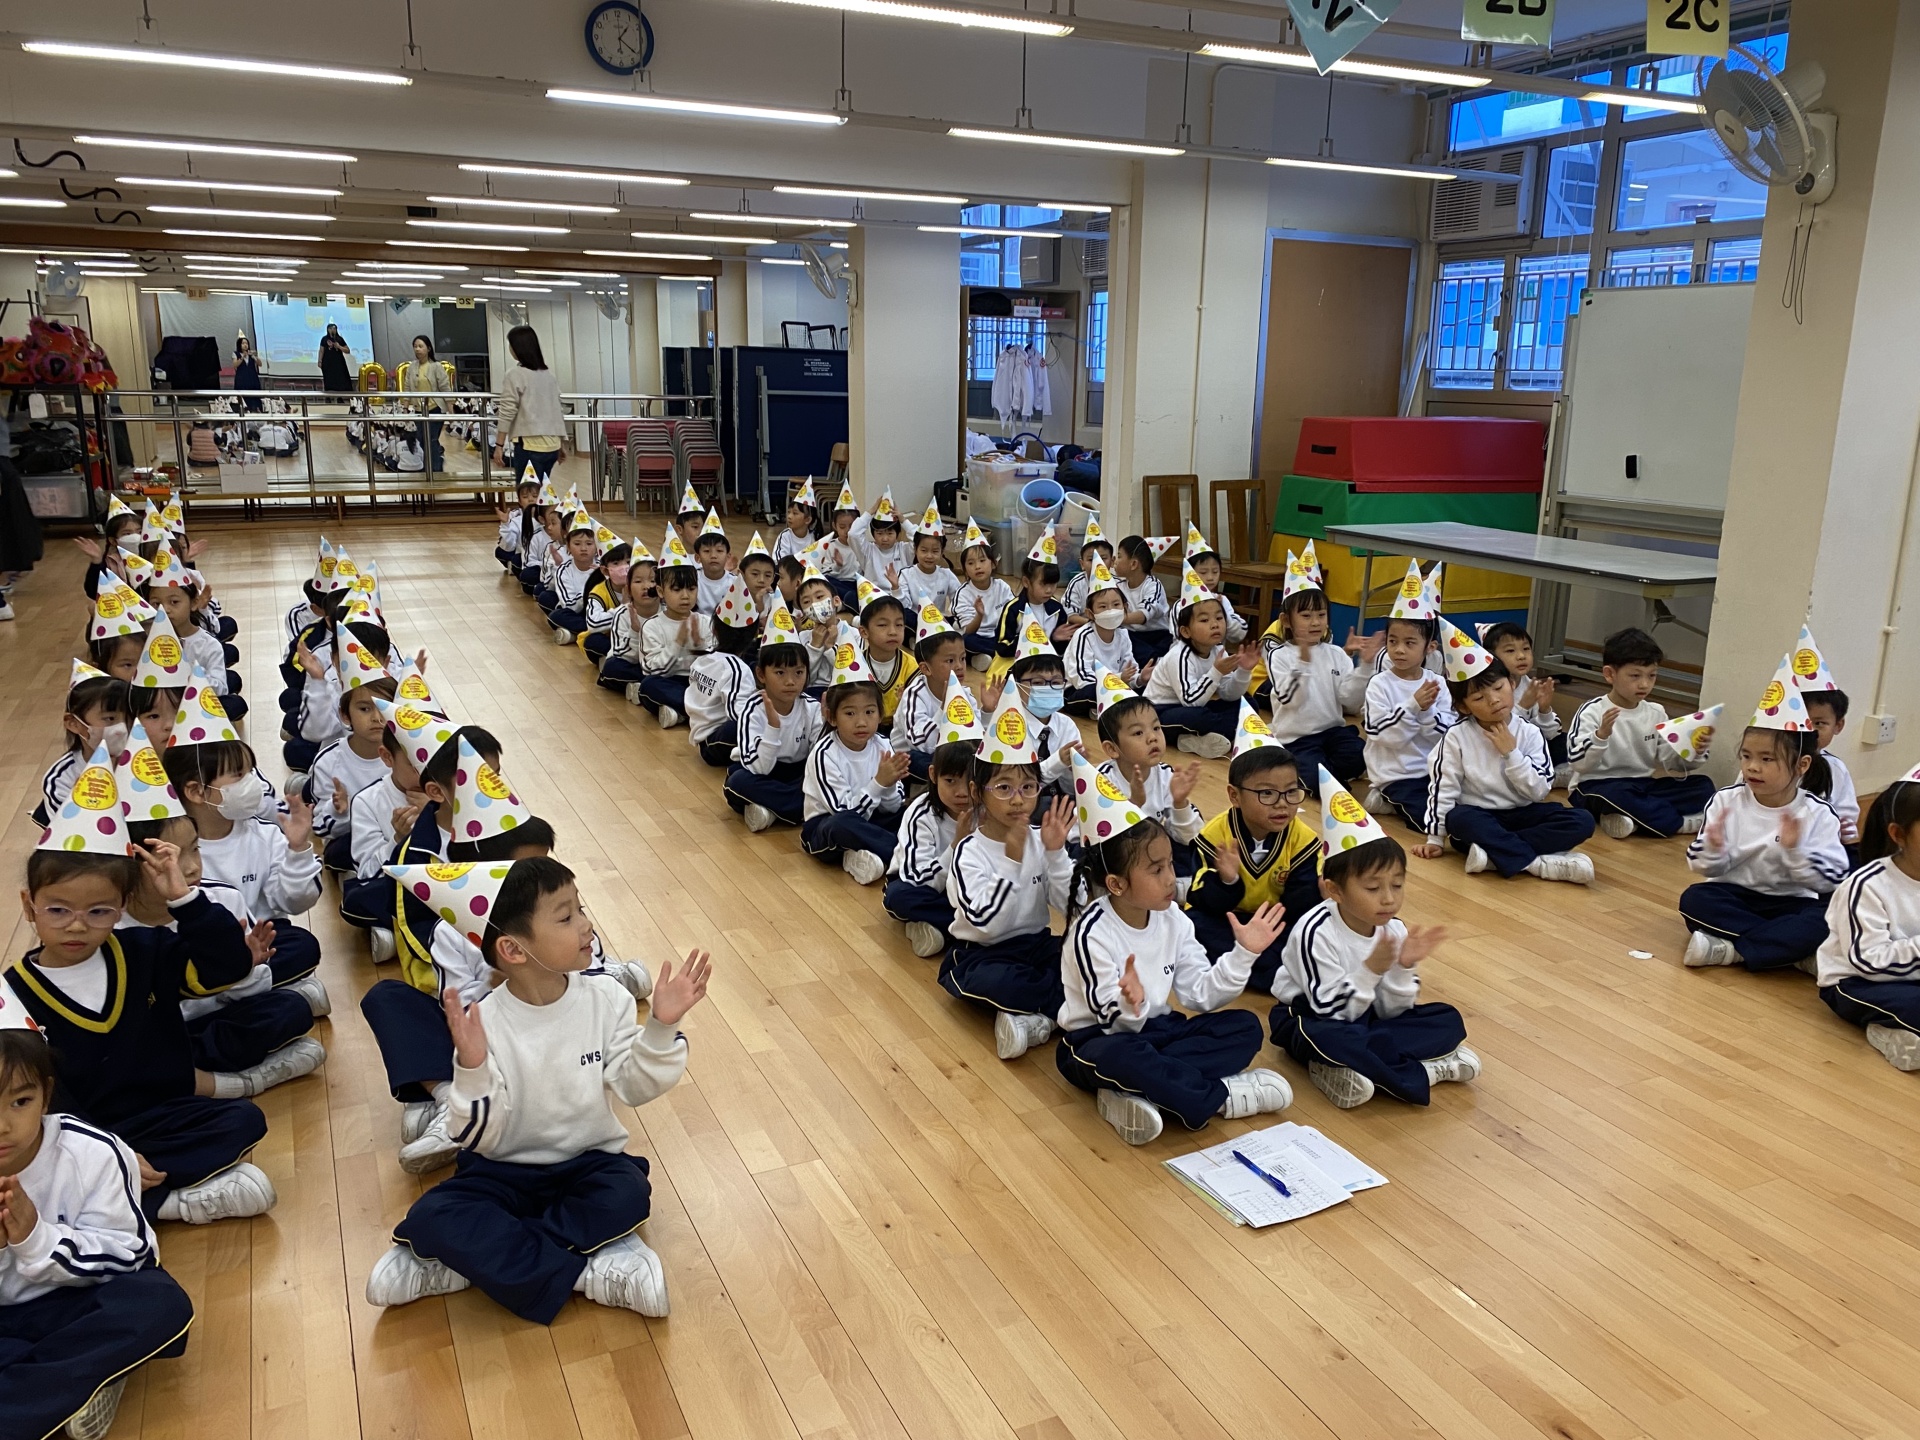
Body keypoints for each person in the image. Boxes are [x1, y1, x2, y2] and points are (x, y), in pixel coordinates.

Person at [365, 857, 709, 1323]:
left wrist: (661, 1028)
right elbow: (477, 1135)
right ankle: (587, 1272)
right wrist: (473, 1069)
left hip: (587, 1165)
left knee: (626, 1192)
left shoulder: (609, 998)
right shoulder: (485, 1021)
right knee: (432, 1214)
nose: (586, 924)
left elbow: (633, 1086)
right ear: (513, 949)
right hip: (500, 1173)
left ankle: (474, 1263)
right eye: (566, 917)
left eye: (580, 909)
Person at [5, 749, 277, 1227]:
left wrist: (185, 900)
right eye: (58, 910)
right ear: (30, 907)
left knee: (244, 1120)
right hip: (82, 1141)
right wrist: (110, 1152)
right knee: (40, 1176)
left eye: (98, 911)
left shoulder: (143, 949)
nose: (77, 926)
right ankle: (164, 1203)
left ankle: (127, 1200)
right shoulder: (14, 995)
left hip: (166, 1116)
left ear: (121, 906)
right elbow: (46, 1103)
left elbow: (229, 967)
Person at [1056, 751, 1291, 1145]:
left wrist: (1244, 954)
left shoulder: (1174, 919)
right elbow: (1111, 1023)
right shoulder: (1091, 933)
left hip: (1160, 1030)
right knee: (1123, 1058)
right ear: (1116, 884)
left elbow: (1200, 995)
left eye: (1169, 864)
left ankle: (1139, 1090)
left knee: (1245, 1027)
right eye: (1156, 870)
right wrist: (1130, 1001)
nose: (1171, 878)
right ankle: (1220, 1098)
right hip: (1099, 1038)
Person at [0, 1022, 197, 1440]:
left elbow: (133, 1254)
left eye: (20, 1101)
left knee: (158, 1303)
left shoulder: (90, 1151)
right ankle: (88, 1379)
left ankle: (43, 1394)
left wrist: (36, 1238)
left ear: (46, 1095)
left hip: (77, 1301)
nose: (2, 1125)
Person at [1270, 770, 1481, 1109]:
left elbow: (1392, 1010)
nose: (1388, 899)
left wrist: (1402, 968)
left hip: (1367, 1018)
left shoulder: (1393, 929)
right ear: (1335, 890)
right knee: (1330, 1037)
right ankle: (1422, 1071)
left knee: (1447, 1018)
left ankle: (1359, 1068)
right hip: (1312, 1015)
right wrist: (1370, 970)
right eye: (1372, 887)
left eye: (1397, 885)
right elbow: (1329, 1010)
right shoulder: (1315, 931)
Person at [1680, 657, 1847, 971]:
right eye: (1747, 756)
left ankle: (1735, 951)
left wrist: (1796, 853)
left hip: (1793, 902)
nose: (1753, 767)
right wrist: (1714, 849)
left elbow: (1832, 880)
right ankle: (1788, 952)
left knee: (1829, 917)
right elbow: (1703, 867)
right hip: (1734, 894)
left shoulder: (1818, 813)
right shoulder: (1725, 801)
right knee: (1695, 901)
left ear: (1802, 765)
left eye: (1767, 759)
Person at [940, 691, 1072, 1061]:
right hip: (983, 953)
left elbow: (1073, 908)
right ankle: (1064, 1013)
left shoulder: (1040, 840)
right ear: (976, 792)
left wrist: (1056, 854)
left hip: (1035, 945)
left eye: (1028, 788)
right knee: (997, 982)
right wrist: (1012, 863)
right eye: (1003, 788)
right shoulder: (969, 852)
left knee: (1088, 959)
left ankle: (1041, 1019)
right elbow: (986, 923)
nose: (1018, 799)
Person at [1418, 622, 1594, 883]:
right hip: (1481, 816)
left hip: (1523, 812)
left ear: (1511, 684)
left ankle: (1494, 855)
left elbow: (1538, 791)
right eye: (1478, 698)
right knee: (1460, 819)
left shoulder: (1530, 732)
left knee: (1582, 820)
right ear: (1463, 707)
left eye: (1498, 688)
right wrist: (1434, 839)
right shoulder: (1456, 737)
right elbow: (1444, 788)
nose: (1493, 700)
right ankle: (1536, 864)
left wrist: (1512, 754)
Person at [1185, 711, 1323, 990]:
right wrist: (1227, 881)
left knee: (1315, 933)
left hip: (1275, 921)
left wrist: (1319, 891)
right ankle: (1280, 974)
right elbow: (1200, 899)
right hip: (1229, 919)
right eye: (1267, 793)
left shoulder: (1304, 840)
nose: (1282, 803)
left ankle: (1258, 969)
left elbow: (1299, 907)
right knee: (1193, 927)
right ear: (1234, 795)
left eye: (1291, 791)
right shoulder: (1214, 836)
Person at [1566, 627, 1715, 840]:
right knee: (1618, 795)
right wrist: (1600, 736)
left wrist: (1694, 750)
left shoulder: (1656, 712)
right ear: (1610, 674)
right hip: (1595, 785)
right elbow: (1578, 764)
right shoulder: (1593, 711)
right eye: (1635, 676)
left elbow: (1671, 762)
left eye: (1652, 675)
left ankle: (1630, 820)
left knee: (1702, 786)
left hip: (1642, 785)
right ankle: (1680, 824)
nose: (1644, 684)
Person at [1815, 777, 1920, 1071]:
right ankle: (1886, 1031)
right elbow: (1868, 961)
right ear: (1898, 834)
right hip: (1857, 981)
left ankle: (1900, 1031)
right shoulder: (1867, 886)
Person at [800, 628, 908, 885]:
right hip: (829, 825)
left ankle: (867, 856)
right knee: (842, 825)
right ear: (832, 716)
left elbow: (893, 805)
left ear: (880, 713)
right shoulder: (824, 754)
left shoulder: (883, 744)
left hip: (874, 819)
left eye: (869, 712)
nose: (861, 722)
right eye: (850, 713)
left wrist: (889, 786)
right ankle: (904, 857)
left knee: (912, 810)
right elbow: (843, 811)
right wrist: (879, 783)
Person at [1259, 544, 1365, 796]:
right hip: (1297, 738)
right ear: (1286, 621)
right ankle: (1324, 777)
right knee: (1312, 776)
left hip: (1332, 732)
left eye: (1321, 614)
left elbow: (1350, 702)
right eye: (1306, 616)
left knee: (1361, 756)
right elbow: (1290, 699)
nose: (1316, 622)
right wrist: (1303, 663)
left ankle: (1329, 772)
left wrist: (1366, 668)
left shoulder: (1336, 653)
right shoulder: (1279, 655)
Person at [1360, 563, 1451, 831]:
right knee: (1429, 821)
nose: (1399, 650)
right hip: (1396, 774)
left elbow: (1446, 734)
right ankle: (1385, 795)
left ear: (1430, 647)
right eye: (1393, 641)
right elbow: (1382, 734)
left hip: (1433, 771)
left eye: (1409, 643)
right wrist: (1413, 706)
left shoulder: (1437, 683)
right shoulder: (1379, 684)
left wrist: (1426, 711)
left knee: (1463, 805)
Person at [725, 597, 821, 831]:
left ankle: (772, 811)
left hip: (799, 773)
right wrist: (773, 728)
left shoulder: (812, 708)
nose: (790, 681)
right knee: (736, 781)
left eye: (798, 672)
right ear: (761, 674)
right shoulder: (752, 709)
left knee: (817, 784)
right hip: (766, 770)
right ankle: (797, 810)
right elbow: (760, 768)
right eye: (780, 672)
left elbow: (818, 762)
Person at [1141, 567, 1257, 759]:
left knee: (1248, 703)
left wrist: (1243, 671)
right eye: (1204, 620)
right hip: (1160, 712)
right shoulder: (1179, 655)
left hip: (1196, 707)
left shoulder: (1217, 650)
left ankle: (1196, 739)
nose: (1215, 624)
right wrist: (1216, 672)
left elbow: (1227, 694)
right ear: (1186, 631)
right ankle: (1224, 733)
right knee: (1199, 717)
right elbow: (1190, 701)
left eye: (1219, 618)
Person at [1095, 685, 1203, 884]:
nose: (1153, 737)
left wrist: (1180, 803)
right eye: (1138, 733)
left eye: (1156, 728)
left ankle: (1167, 886)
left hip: (1152, 851)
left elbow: (1192, 837)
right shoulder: (1100, 782)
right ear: (1112, 749)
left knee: (1198, 854)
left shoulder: (1166, 775)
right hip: (1117, 856)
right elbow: (1098, 840)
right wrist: (1133, 805)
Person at [885, 731, 978, 958]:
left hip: (971, 890)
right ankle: (973, 931)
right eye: (950, 781)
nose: (961, 792)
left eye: (970, 781)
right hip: (925, 885)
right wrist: (957, 845)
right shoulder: (921, 813)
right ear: (933, 775)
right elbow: (918, 878)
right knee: (899, 897)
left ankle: (940, 929)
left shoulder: (988, 808)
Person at [1792, 628, 1861, 853]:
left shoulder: (1836, 770)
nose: (1808, 731)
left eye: (1819, 723)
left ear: (1838, 725)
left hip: (1820, 850)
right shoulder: (1765, 761)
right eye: (1801, 721)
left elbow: (1846, 818)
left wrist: (1847, 846)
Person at [889, 606, 967, 782]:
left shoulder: (965, 694)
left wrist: (987, 712)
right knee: (917, 760)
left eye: (963, 658)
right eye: (950, 660)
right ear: (925, 668)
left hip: (948, 754)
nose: (959, 666)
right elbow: (921, 743)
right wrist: (944, 709)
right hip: (914, 754)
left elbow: (975, 736)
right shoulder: (914, 695)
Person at [491, 325, 568, 485]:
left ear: (518, 347)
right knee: (541, 493)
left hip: (529, 446)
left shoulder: (515, 374)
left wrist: (499, 445)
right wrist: (562, 442)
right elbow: (556, 411)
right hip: (552, 446)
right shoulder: (549, 375)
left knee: (527, 494)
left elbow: (507, 411)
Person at [1062, 557, 1138, 715]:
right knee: (1091, 693)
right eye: (1103, 606)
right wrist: (1118, 680)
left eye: (1116, 605)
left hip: (1114, 686)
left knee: (1141, 691)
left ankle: (1105, 709)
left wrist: (1140, 678)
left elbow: (1130, 668)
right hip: (1078, 690)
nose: (1110, 611)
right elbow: (1081, 678)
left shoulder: (1123, 634)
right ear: (1090, 613)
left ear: (1125, 607)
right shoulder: (1084, 636)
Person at [954, 521, 1012, 671]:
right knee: (965, 641)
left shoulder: (1002, 587)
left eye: (982, 560)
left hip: (1000, 636)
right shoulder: (963, 593)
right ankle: (998, 656)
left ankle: (985, 658)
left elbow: (1013, 615)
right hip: (978, 637)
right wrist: (979, 615)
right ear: (965, 570)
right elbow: (968, 631)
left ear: (993, 563)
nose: (977, 566)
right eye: (971, 563)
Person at [1110, 535, 1172, 667]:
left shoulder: (1153, 585)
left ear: (1133, 564)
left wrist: (1116, 618)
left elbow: (1144, 614)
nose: (1115, 560)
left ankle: (1155, 664)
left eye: (1119, 556)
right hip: (1132, 635)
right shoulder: (1118, 586)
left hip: (1157, 635)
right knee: (1121, 636)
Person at [895, 505, 960, 616]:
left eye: (935, 551)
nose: (929, 556)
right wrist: (896, 588)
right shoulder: (906, 574)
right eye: (924, 550)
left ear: (942, 552)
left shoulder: (947, 575)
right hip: (914, 621)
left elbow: (959, 600)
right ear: (915, 549)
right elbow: (904, 607)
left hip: (938, 621)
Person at [401, 334, 451, 470]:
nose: (417, 349)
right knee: (421, 440)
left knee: (431, 439)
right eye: (415, 346)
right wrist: (405, 408)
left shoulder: (436, 366)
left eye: (420, 346)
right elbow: (407, 388)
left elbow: (445, 388)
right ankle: (428, 467)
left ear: (428, 348)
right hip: (418, 410)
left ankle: (436, 469)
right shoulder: (412, 367)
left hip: (435, 409)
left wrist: (451, 412)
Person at [318, 323, 353, 394]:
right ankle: (328, 395)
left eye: (334, 328)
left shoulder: (339, 339)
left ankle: (340, 396)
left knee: (340, 378)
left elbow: (347, 350)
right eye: (330, 328)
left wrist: (339, 346)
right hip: (327, 362)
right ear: (327, 330)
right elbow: (321, 350)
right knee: (328, 379)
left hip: (338, 362)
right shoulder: (324, 339)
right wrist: (320, 361)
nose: (332, 330)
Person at [233, 332, 262, 410]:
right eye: (243, 343)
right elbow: (235, 365)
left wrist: (254, 356)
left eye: (246, 343)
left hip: (252, 379)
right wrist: (242, 357)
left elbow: (260, 364)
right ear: (239, 344)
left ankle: (256, 410)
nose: (245, 345)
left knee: (255, 398)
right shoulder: (236, 354)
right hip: (242, 379)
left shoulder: (251, 354)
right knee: (243, 398)